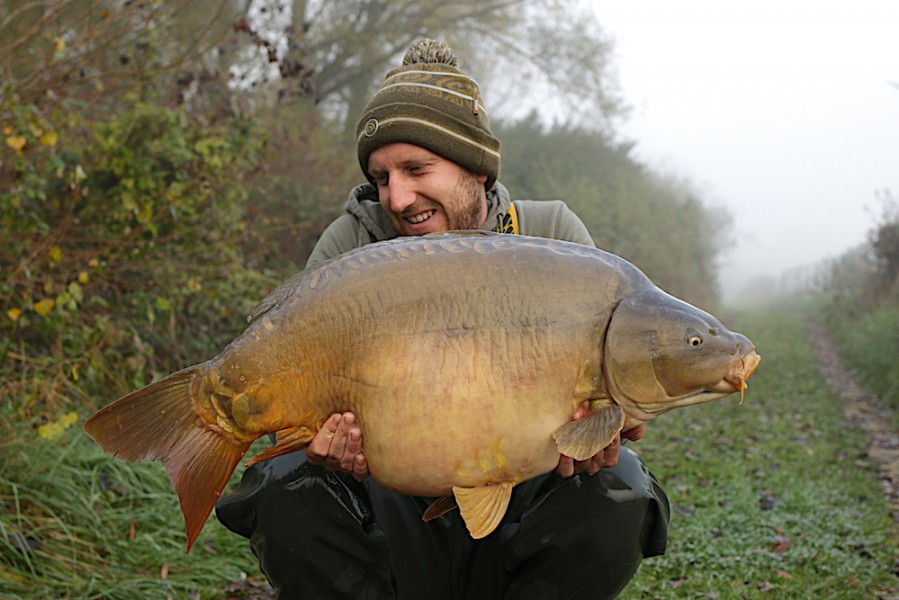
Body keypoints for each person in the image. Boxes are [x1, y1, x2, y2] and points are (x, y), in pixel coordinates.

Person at [216, 39, 670, 599]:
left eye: (416, 168)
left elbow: (608, 400)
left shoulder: (551, 234)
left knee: (618, 483)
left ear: (476, 170)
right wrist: (320, 443)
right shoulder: (353, 241)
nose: (397, 197)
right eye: (382, 177)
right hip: (390, 483)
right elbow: (303, 390)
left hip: (524, 479)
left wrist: (604, 430)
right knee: (286, 483)